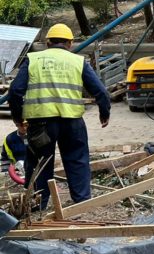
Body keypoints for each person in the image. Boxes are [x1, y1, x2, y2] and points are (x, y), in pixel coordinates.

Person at [8, 23, 111, 209]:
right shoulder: (78, 61)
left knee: (40, 163)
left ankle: (37, 205)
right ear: (70, 44)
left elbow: (15, 91)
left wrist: (18, 120)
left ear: (47, 43)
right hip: (72, 123)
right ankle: (81, 203)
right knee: (77, 160)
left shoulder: (33, 59)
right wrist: (104, 113)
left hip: (40, 124)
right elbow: (101, 92)